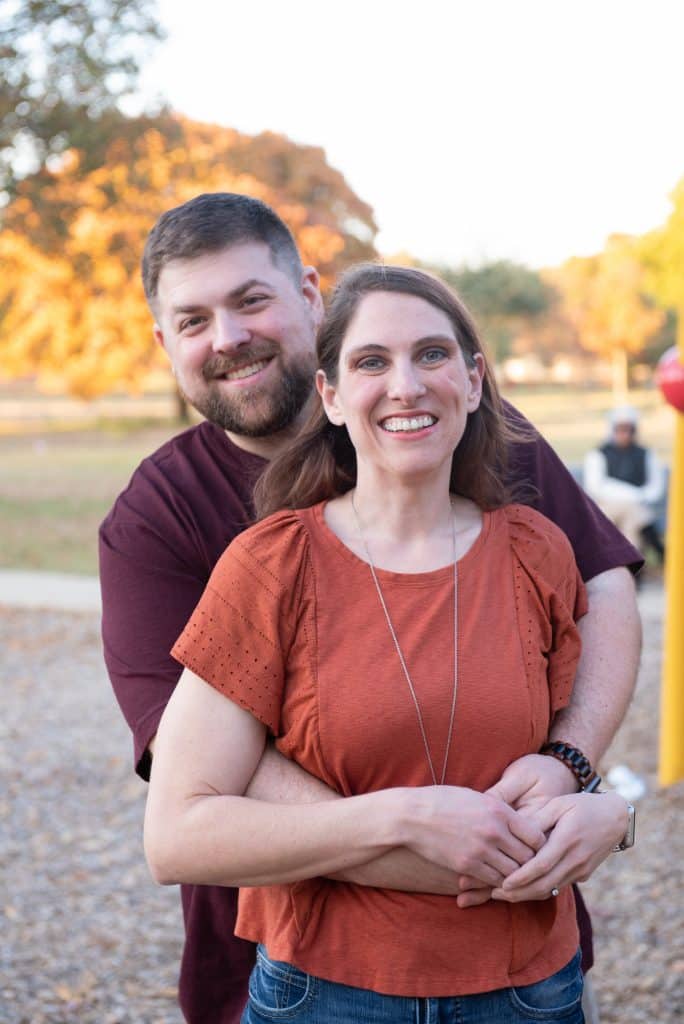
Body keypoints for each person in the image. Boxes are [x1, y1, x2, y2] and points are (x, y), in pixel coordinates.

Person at [99, 193, 642, 1024]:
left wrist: (579, 778)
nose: (229, 337)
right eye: (194, 319)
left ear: (309, 298)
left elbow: (604, 588)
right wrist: (441, 842)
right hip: (311, 966)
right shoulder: (179, 526)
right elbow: (191, 775)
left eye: (250, 300)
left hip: (525, 968)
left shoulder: (479, 449)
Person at [583, 405, 666, 561]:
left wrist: (638, 497)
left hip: (638, 507)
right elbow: (596, 487)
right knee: (636, 515)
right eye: (620, 429)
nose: (625, 434)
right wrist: (633, 495)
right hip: (609, 508)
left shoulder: (646, 454)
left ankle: (631, 565)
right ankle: (658, 556)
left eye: (629, 429)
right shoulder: (598, 454)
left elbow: (655, 487)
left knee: (632, 521)